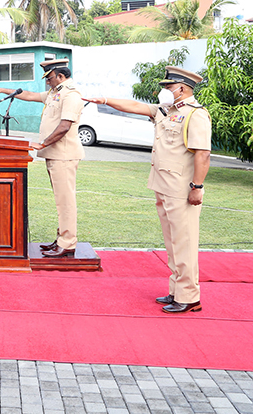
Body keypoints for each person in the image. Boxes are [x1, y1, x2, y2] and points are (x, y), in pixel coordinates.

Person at [85, 66, 211, 313]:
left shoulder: (196, 115)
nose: (163, 91)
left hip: (181, 188)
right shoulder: (166, 110)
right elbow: (134, 106)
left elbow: (203, 154)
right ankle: (176, 290)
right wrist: (105, 100)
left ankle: (189, 296)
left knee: (184, 242)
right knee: (172, 242)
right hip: (163, 185)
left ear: (182, 88)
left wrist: (197, 187)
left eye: (167, 87)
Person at [0, 58, 85, 258]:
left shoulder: (71, 95)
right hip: (56, 155)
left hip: (64, 155)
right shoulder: (54, 93)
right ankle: (62, 239)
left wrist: (43, 143)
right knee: (60, 200)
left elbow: (65, 126)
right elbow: (29, 95)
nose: (47, 81)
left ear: (61, 76)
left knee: (65, 202)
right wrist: (3, 91)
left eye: (49, 77)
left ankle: (68, 243)